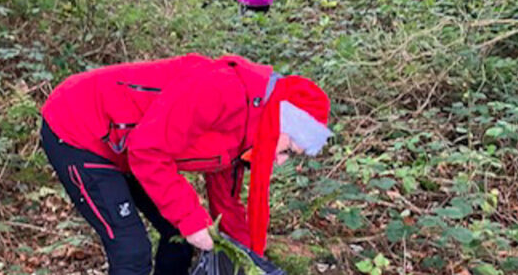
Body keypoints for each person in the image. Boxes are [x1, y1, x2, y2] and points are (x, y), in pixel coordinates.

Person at [40, 53, 332, 275]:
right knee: (132, 251)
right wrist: (192, 220)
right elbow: (148, 149)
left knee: (178, 236)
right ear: (280, 123)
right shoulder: (222, 90)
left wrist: (244, 259)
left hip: (129, 147)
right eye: (289, 150)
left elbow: (227, 206)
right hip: (80, 128)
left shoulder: (247, 134)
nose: (280, 161)